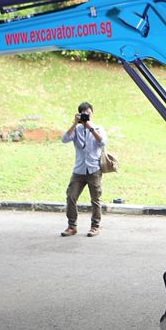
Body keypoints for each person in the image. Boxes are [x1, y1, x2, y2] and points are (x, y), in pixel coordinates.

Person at [60, 102, 107, 237]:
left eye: (89, 113)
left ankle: (95, 226)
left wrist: (90, 127)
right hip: (79, 170)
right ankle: (72, 226)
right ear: (79, 115)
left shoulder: (98, 128)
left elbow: (102, 141)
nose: (87, 116)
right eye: (84, 114)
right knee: (71, 197)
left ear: (92, 113)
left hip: (94, 169)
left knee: (95, 199)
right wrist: (75, 124)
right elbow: (64, 139)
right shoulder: (77, 129)